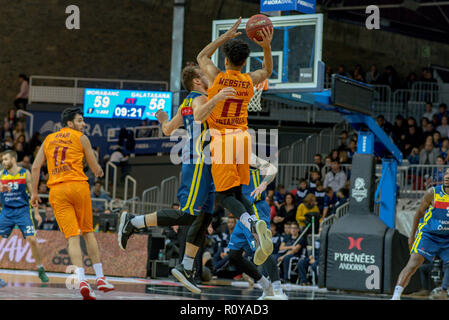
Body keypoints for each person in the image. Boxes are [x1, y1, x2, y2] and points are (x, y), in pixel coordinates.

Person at [118, 64, 231, 294]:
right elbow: (200, 115)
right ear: (198, 82)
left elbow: (169, 129)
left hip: (206, 163)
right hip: (199, 161)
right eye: (205, 75)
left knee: (205, 216)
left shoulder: (187, 102)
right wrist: (218, 96)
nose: (210, 78)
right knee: (188, 214)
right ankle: (133, 221)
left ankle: (187, 266)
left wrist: (162, 119)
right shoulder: (199, 100)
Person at [196, 17, 274, 269]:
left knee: (221, 194)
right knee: (239, 192)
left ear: (227, 60)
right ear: (243, 62)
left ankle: (252, 225)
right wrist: (266, 45)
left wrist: (224, 37)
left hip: (223, 139)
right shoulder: (248, 80)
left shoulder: (217, 76)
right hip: (243, 138)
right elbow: (268, 71)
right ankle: (256, 231)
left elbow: (201, 57)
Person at [31, 107, 114, 300]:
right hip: (78, 187)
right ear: (70, 123)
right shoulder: (81, 138)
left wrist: (35, 193)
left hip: (57, 191)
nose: (83, 123)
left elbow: (35, 167)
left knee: (72, 238)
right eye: (80, 120)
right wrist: (99, 170)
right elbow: (95, 169)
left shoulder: (48, 139)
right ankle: (100, 278)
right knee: (88, 233)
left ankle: (82, 280)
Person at [226, 153, 287, 299]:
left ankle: (278, 291)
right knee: (234, 256)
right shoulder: (224, 160)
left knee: (262, 247)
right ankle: (267, 286)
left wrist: (264, 183)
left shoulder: (246, 157)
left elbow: (272, 169)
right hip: (241, 213)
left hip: (255, 208)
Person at [391, 169, 449, 300]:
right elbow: (418, 213)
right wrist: (412, 236)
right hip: (429, 235)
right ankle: (396, 296)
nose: (447, 176)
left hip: (447, 237)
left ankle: (444, 290)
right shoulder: (432, 193)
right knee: (413, 264)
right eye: (446, 173)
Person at [0, 150, 47, 283]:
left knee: (32, 239)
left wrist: (36, 213)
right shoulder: (1, 175)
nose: (3, 162)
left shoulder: (25, 173)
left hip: (23, 211)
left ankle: (40, 269)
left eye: (6, 159)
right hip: (7, 211)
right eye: (3, 160)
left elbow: (33, 196)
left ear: (13, 159)